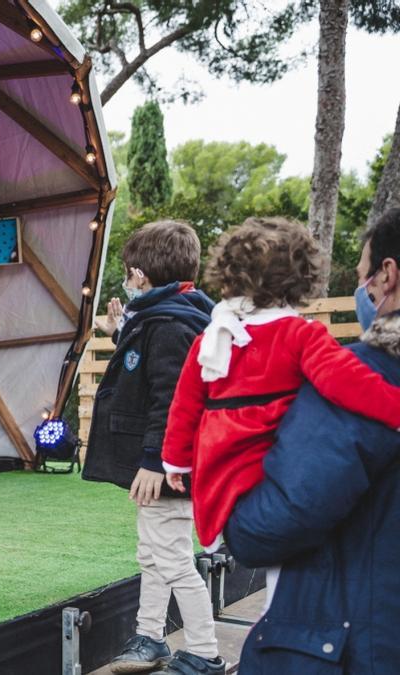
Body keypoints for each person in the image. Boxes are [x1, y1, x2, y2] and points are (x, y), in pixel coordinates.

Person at [160, 218, 400, 611]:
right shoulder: (300, 334)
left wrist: (176, 461)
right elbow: (345, 380)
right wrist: (394, 407)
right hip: (274, 464)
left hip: (224, 470)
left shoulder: (212, 336)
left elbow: (186, 405)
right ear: (300, 278)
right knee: (287, 577)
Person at [223, 207, 400, 673]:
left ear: (388, 275)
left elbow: (271, 525)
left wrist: (229, 505)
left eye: (362, 276)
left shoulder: (366, 375)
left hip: (362, 642)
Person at [82, 221, 223, 675]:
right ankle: (150, 636)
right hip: (165, 466)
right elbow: (143, 371)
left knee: (176, 561)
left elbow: (170, 401)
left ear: (139, 274)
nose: (126, 279)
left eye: (128, 272)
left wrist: (154, 462)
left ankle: (204, 651)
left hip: (168, 467)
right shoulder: (169, 316)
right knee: (154, 554)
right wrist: (118, 330)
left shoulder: (169, 326)